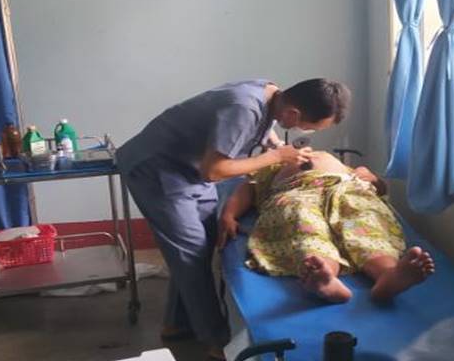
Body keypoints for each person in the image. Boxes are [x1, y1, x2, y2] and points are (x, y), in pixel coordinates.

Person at [116, 79, 351, 359]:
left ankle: (176, 323)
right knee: (191, 254)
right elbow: (214, 171)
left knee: (201, 248)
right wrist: (276, 156)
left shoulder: (272, 93)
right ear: (293, 114)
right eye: (308, 127)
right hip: (157, 168)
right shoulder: (243, 108)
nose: (306, 133)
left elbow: (260, 128)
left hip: (191, 167)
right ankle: (217, 342)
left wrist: (276, 145)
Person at [218, 151, 435, 304]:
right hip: (297, 193)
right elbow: (246, 190)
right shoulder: (269, 167)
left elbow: (380, 188)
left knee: (363, 222)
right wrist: (229, 215)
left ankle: (388, 274)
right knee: (304, 223)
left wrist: (373, 179)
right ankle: (325, 277)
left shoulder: (348, 168)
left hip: (345, 189)